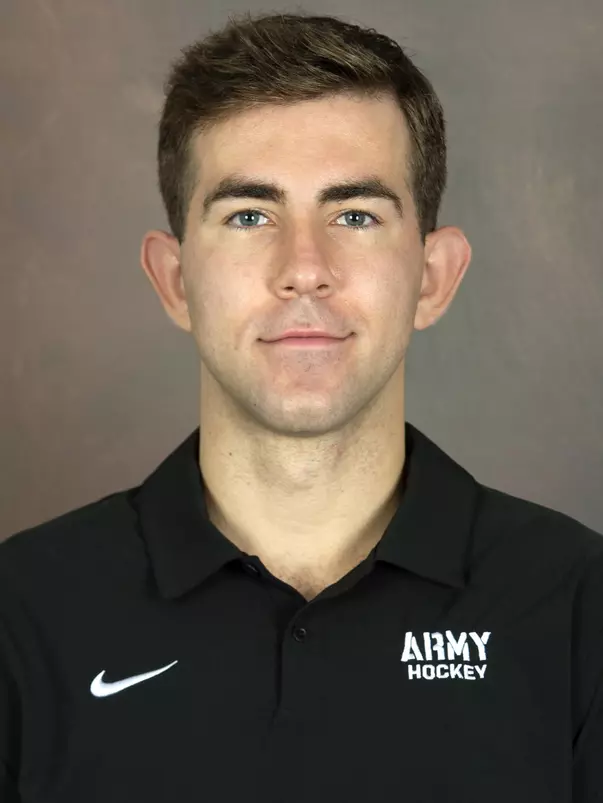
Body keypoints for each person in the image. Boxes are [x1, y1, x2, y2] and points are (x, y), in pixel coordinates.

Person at [1, 10, 601, 802]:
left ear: (432, 276)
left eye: (354, 215)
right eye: (250, 215)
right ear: (175, 279)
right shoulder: (23, 613)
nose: (304, 269)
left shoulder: (579, 608)